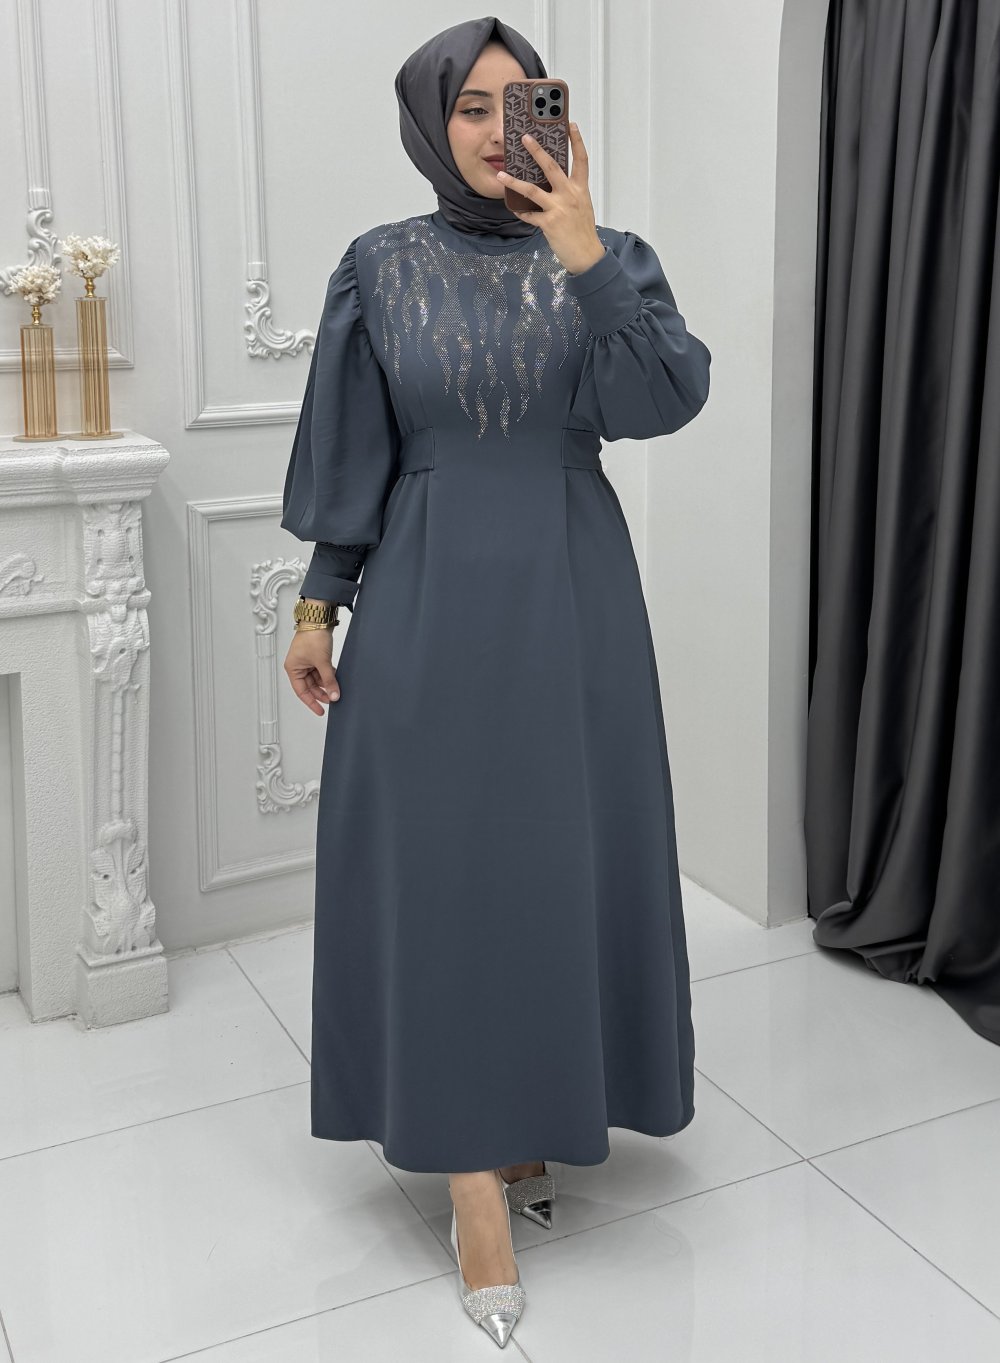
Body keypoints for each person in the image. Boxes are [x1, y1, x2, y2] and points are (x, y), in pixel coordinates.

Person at [280, 15, 711, 1349]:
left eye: (519, 103)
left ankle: (529, 1112)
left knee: (552, 862)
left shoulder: (610, 255)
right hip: (424, 597)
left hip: (575, 604)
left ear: (554, 119)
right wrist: (318, 602)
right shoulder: (378, 266)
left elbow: (664, 400)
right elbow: (353, 448)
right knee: (443, 872)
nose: (492, 129)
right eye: (469, 106)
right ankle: (471, 1184)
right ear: (429, 122)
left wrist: (582, 251)